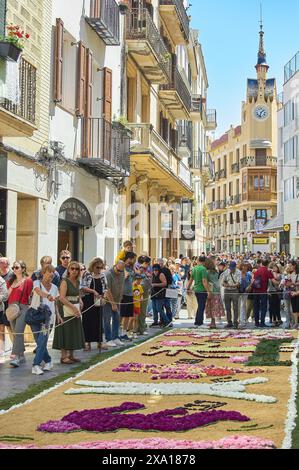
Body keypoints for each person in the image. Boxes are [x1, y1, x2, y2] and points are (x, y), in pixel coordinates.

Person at [52, 261, 85, 364]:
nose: (74, 271)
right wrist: (73, 308)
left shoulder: (78, 281)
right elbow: (61, 298)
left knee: (73, 330)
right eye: (72, 269)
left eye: (77, 269)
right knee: (65, 331)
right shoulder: (64, 281)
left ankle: (71, 355)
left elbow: (77, 294)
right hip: (65, 308)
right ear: (69, 270)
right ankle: (63, 356)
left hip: (75, 307)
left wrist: (80, 300)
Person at [31, 264, 59, 375]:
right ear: (43, 273)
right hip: (35, 316)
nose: (51, 275)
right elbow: (38, 292)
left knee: (42, 341)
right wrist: (47, 296)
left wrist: (58, 315)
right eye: (49, 273)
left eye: (53, 274)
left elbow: (55, 303)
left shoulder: (55, 287)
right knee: (40, 342)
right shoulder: (37, 283)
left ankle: (36, 365)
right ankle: (48, 361)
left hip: (48, 320)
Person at [7, 261, 33, 367]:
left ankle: (16, 356)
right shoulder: (10, 281)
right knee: (15, 332)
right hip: (11, 308)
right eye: (13, 267)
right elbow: (6, 295)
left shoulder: (28, 281)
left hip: (23, 307)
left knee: (18, 331)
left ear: (23, 268)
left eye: (17, 267)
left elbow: (30, 296)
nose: (14, 269)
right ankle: (21, 354)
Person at [80, 258, 107, 352]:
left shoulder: (103, 276)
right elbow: (82, 287)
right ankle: (87, 343)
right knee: (87, 321)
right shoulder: (87, 275)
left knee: (98, 321)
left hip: (98, 301)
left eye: (101, 267)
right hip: (88, 301)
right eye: (97, 267)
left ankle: (100, 342)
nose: (99, 269)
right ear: (93, 266)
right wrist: (93, 291)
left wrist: (104, 297)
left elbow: (106, 288)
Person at [104, 261, 125, 347]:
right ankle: (108, 339)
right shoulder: (108, 274)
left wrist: (120, 298)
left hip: (117, 300)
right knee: (107, 320)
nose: (119, 272)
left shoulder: (122, 273)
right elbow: (107, 290)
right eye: (118, 270)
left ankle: (115, 337)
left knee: (117, 318)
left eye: (121, 270)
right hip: (107, 301)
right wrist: (113, 304)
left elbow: (121, 285)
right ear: (115, 266)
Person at [252, 259, 278, 328]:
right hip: (263, 291)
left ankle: (256, 323)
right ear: (267, 264)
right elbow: (274, 281)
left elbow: (253, 280)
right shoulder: (267, 271)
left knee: (256, 307)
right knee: (263, 307)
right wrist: (281, 283)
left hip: (255, 291)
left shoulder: (257, 270)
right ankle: (262, 322)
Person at [186, 256, 210, 328]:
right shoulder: (203, 269)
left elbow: (191, 279)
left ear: (198, 261)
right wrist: (208, 291)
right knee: (201, 306)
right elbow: (204, 281)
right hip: (202, 290)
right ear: (204, 261)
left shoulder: (194, 268)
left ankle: (198, 321)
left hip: (196, 289)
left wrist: (188, 288)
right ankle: (199, 322)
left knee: (200, 305)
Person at [120, 252, 136, 339]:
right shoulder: (122, 266)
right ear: (128, 258)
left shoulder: (131, 268)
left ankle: (124, 333)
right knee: (121, 314)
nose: (133, 261)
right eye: (132, 259)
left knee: (127, 315)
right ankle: (117, 333)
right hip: (123, 294)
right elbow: (123, 277)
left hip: (130, 294)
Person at [205, 259, 225, 329]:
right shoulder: (216, 272)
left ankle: (213, 322)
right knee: (215, 306)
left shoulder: (207, 272)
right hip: (217, 290)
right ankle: (212, 322)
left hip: (211, 291)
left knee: (211, 307)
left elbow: (206, 282)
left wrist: (208, 291)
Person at [221, 261, 241, 329]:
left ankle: (235, 322)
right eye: (230, 268)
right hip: (227, 291)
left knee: (235, 307)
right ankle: (229, 322)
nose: (231, 269)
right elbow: (223, 281)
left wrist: (231, 286)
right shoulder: (226, 271)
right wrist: (225, 284)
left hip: (234, 291)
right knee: (227, 308)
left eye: (232, 268)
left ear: (235, 267)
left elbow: (238, 283)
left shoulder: (238, 272)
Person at [137, 256, 151, 336]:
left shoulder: (144, 270)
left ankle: (141, 327)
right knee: (142, 311)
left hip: (145, 291)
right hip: (142, 292)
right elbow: (140, 282)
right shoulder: (141, 270)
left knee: (142, 310)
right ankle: (141, 328)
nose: (148, 265)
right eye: (148, 264)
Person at [158, 258, 174, 324]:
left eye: (161, 263)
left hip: (166, 289)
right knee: (161, 306)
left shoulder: (166, 270)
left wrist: (168, 288)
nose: (160, 264)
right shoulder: (158, 270)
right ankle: (162, 320)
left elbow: (170, 280)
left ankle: (169, 320)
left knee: (167, 305)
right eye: (159, 263)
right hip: (160, 290)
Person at [239, 263, 252, 328]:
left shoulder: (248, 275)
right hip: (238, 292)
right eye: (243, 266)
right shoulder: (238, 274)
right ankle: (239, 319)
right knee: (238, 306)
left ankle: (243, 319)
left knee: (243, 305)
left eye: (246, 267)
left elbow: (250, 282)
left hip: (245, 292)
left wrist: (249, 287)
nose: (244, 268)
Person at [132, 274, 143, 338]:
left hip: (138, 305)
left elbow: (141, 294)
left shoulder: (140, 287)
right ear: (134, 280)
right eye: (137, 280)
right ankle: (131, 331)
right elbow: (130, 296)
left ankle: (135, 332)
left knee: (136, 319)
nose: (139, 282)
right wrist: (135, 299)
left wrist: (141, 297)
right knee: (132, 319)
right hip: (132, 305)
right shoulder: (131, 286)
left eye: (140, 280)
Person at [0, 276, 8, 357]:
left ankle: (1, 350)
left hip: (0, 309)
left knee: (1, 330)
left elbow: (5, 295)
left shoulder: (1, 281)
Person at [289, 261, 299, 328]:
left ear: (294, 266)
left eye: (291, 265)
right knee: (294, 309)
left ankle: (297, 322)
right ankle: (296, 323)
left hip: (297, 292)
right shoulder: (291, 274)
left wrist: (294, 284)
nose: (290, 267)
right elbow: (289, 283)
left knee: (298, 309)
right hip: (293, 292)